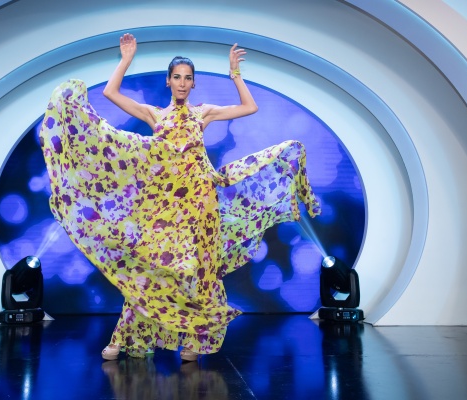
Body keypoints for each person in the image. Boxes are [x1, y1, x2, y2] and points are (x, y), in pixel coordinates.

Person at [39, 33, 320, 362]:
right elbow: (109, 93)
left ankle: (195, 340)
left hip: (201, 204)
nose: (183, 83)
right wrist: (126, 60)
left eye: (188, 78)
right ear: (169, 81)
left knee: (200, 271)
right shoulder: (155, 115)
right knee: (151, 270)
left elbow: (250, 107)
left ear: (194, 83)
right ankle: (124, 337)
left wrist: (235, 74)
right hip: (164, 206)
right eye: (177, 77)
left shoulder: (204, 113)